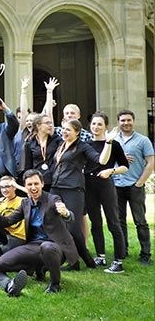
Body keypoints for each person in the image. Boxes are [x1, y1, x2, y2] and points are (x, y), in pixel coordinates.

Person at [0, 170, 79, 293]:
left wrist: (66, 213)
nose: (33, 187)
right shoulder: (25, 203)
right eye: (29, 184)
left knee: (47, 247)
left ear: (42, 184)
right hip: (34, 246)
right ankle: (38, 268)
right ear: (25, 186)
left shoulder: (53, 199)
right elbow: (7, 221)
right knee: (1, 263)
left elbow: (69, 217)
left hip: (56, 247)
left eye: (36, 184)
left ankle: (55, 284)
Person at [50, 119, 113, 269]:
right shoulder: (61, 145)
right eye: (64, 129)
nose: (64, 132)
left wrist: (109, 143)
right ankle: (71, 260)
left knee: (73, 228)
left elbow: (101, 160)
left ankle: (86, 260)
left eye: (68, 130)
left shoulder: (83, 146)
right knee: (56, 224)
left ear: (77, 132)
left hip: (73, 189)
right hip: (56, 188)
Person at [85, 112, 129, 273]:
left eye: (99, 124)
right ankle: (101, 256)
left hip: (105, 185)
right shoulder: (87, 144)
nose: (96, 127)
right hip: (89, 185)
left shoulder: (113, 144)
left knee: (113, 222)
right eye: (93, 124)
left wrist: (111, 171)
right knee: (95, 222)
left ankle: (118, 261)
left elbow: (125, 166)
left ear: (106, 127)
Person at [113, 109, 153, 265]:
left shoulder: (143, 140)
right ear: (119, 122)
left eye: (129, 120)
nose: (126, 123)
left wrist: (140, 183)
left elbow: (150, 162)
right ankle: (123, 251)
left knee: (140, 221)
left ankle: (145, 253)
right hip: (117, 185)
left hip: (135, 185)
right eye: (123, 120)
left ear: (133, 121)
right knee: (119, 221)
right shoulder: (114, 140)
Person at [22, 113, 62, 189]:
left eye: (51, 123)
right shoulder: (29, 144)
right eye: (47, 123)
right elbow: (28, 166)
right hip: (38, 182)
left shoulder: (57, 140)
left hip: (55, 181)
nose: (50, 125)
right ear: (38, 125)